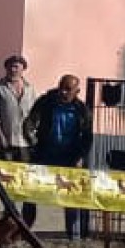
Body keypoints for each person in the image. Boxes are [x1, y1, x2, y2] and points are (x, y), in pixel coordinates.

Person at [27, 74, 95, 239]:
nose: (63, 92)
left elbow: (87, 137)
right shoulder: (46, 102)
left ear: (77, 91)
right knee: (30, 193)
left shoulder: (81, 110)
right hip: (44, 153)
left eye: (68, 89)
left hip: (69, 157)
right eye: (61, 88)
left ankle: (74, 235)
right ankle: (24, 229)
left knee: (71, 196)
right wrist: (31, 140)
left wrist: (81, 157)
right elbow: (30, 121)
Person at [0, 54, 39, 225]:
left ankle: (28, 216)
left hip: (26, 142)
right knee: (6, 179)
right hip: (6, 140)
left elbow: (35, 113)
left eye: (17, 67)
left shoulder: (30, 88)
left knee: (26, 178)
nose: (14, 70)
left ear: (23, 69)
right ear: (6, 68)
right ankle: (9, 213)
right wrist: (0, 136)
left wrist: (34, 133)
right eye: (11, 67)